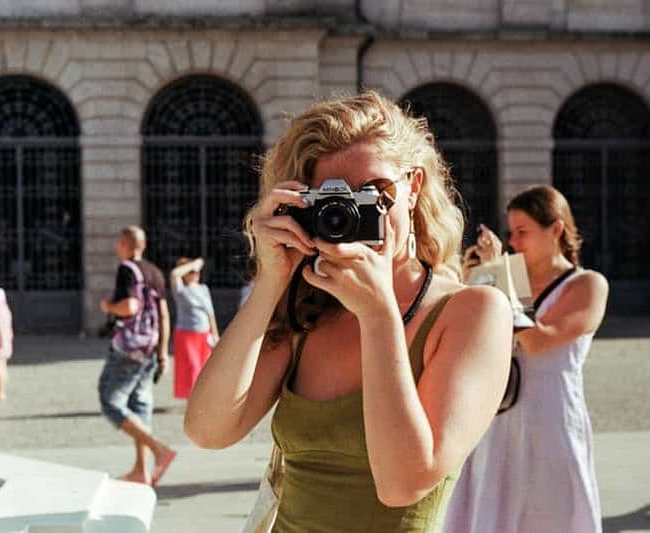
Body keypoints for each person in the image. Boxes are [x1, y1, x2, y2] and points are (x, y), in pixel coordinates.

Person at [184, 91, 513, 532]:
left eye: (376, 192)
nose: (355, 215)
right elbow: (208, 429)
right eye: (335, 201)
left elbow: (403, 482)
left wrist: (378, 317)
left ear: (413, 187)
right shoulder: (309, 310)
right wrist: (270, 282)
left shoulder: (472, 312)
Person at [446, 185, 609, 533]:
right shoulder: (508, 279)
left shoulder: (588, 285)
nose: (514, 242)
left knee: (550, 510)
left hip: (550, 417)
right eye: (511, 232)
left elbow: (537, 341)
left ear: (556, 229)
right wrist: (473, 278)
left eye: (523, 232)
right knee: (492, 509)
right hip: (497, 415)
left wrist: (500, 276)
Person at [98, 226, 177, 486]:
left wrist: (108, 306)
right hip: (151, 350)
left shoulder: (126, 269)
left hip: (128, 349)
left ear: (125, 245)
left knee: (111, 401)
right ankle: (141, 471)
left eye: (118, 244)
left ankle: (159, 450)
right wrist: (163, 353)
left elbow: (130, 306)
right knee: (139, 406)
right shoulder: (154, 272)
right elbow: (164, 315)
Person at [169, 256, 219, 399]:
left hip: (204, 334)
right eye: (191, 272)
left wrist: (215, 334)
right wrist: (193, 264)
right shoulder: (180, 290)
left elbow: (211, 312)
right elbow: (174, 274)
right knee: (192, 367)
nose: (195, 274)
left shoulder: (203, 288)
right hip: (186, 334)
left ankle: (201, 397)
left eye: (196, 272)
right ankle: (193, 398)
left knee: (203, 368)